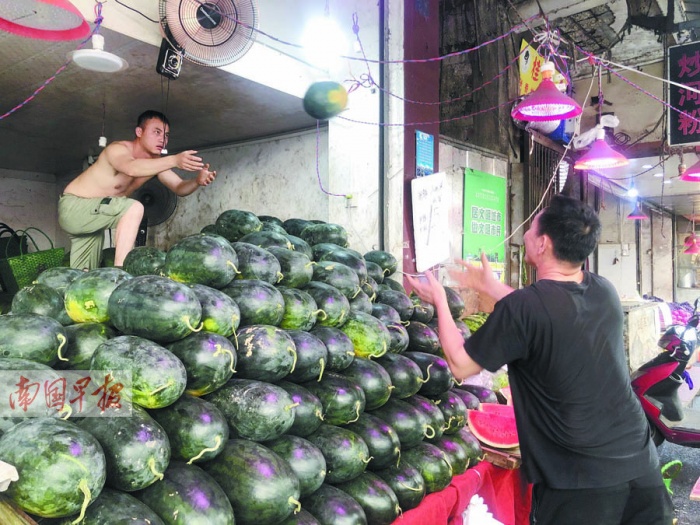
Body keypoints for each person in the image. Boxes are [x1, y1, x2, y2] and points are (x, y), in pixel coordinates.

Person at [407, 194, 673, 525]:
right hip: (640, 463)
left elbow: (461, 364)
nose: (526, 235)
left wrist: (440, 302)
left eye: (532, 229)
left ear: (544, 243)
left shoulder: (523, 308)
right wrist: (490, 286)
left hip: (579, 480)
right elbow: (545, 313)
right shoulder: (603, 290)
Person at [58, 110, 216, 270]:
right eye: (157, 132)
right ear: (139, 132)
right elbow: (131, 168)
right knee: (133, 208)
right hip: (74, 207)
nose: (162, 139)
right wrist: (174, 160)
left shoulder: (155, 163)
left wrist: (197, 181)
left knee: (84, 275)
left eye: (166, 135)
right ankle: (121, 271)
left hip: (92, 218)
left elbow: (179, 187)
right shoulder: (117, 149)